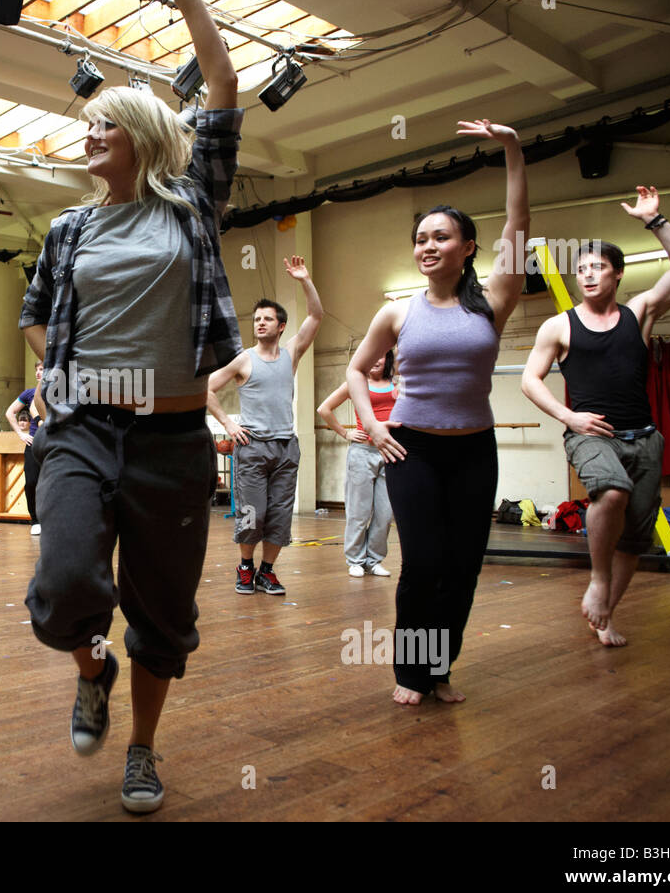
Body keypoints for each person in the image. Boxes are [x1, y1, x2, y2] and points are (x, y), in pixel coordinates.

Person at [18, 0, 242, 814]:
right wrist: (55, 373)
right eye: (86, 126)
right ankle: (90, 667)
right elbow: (38, 314)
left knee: (162, 610)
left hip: (173, 438)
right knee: (64, 584)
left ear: (144, 134)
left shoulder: (190, 204)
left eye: (103, 124)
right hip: (82, 427)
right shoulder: (69, 227)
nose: (88, 134)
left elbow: (220, 87)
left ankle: (142, 751)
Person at [347, 118, 529, 706]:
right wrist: (373, 425)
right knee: (423, 563)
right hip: (412, 449)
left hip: (474, 449)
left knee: (464, 565)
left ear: (468, 247)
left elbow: (519, 227)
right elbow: (355, 370)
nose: (428, 245)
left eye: (441, 236)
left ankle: (441, 667)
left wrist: (512, 151)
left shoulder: (493, 302)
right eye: (421, 237)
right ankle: (411, 670)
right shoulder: (397, 315)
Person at [521, 188, 670, 647]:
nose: (587, 275)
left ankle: (604, 615)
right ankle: (597, 581)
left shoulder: (638, 313)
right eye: (580, 269)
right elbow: (530, 380)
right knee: (612, 490)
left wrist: (655, 219)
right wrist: (570, 418)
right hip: (591, 434)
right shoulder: (559, 325)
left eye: (597, 267)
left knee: (636, 539)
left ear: (617, 274)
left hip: (644, 438)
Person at [206, 256, 323, 595]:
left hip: (287, 446)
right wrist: (228, 423)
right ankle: (245, 567)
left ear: (281, 325)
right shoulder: (244, 359)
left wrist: (304, 280)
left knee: (280, 515)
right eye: (256, 319)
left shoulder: (292, 353)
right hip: (253, 447)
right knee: (250, 513)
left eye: (267, 318)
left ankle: (267, 571)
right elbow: (207, 389)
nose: (260, 323)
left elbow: (316, 316)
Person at [317, 350, 397, 578]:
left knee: (385, 513)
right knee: (359, 511)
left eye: (382, 355)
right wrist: (345, 433)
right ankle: (355, 560)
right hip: (362, 452)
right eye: (373, 355)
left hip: (389, 452)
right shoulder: (356, 382)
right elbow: (324, 408)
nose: (376, 359)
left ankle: (374, 560)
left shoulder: (395, 383)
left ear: (387, 359)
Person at [5, 360, 44, 534]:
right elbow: (10, 412)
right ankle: (35, 520)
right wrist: (21, 434)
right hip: (33, 443)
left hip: (52, 443)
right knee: (31, 482)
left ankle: (50, 519)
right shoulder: (29, 394)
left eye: (42, 369)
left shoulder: (57, 393)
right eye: (37, 369)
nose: (38, 373)